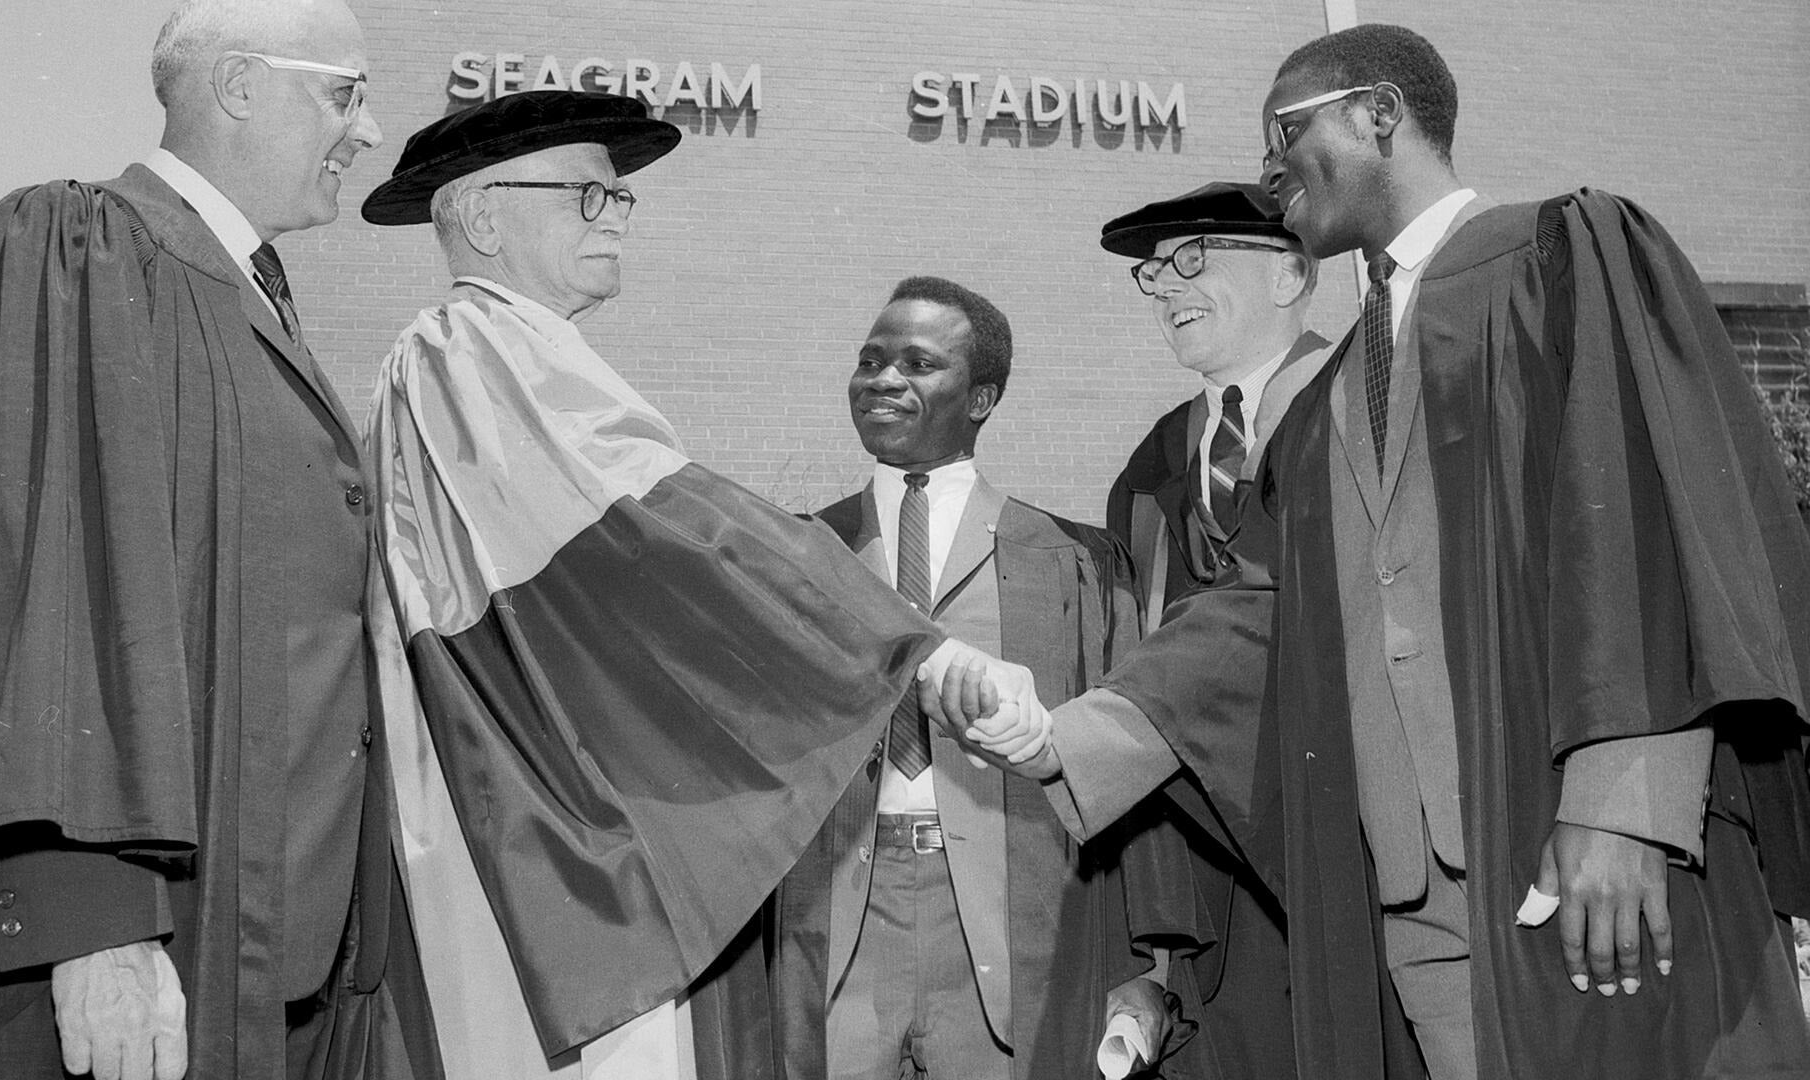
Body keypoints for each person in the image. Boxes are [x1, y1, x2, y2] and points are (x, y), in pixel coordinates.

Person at [935, 22, 1810, 1080]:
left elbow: (1645, 525)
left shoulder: (1562, 257)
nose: (1268, 171)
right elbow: (1258, 613)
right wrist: (1059, 741)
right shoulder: (1332, 396)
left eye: (1285, 133)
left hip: (1578, 848)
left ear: (1379, 114)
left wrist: (1625, 809)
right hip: (1412, 903)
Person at [355, 90, 1044, 1080]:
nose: (618, 215)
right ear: (480, 215)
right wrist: (916, 652)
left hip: (522, 817)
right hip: (562, 846)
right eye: (589, 194)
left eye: (621, 197)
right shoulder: (479, 353)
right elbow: (676, 545)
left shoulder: (444, 367)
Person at [0, 2, 444, 1080]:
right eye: (345, 92)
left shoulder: (250, 300)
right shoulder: (76, 248)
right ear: (239, 85)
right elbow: (35, 586)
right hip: (142, 958)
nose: (369, 131)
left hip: (282, 955)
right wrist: (91, 922)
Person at [773, 276, 1153, 1079]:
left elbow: (1119, 768)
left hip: (1008, 910)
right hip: (835, 908)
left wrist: (1142, 961)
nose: (883, 379)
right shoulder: (799, 553)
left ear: (980, 397)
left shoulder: (1072, 561)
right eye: (871, 360)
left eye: (917, 364)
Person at [1098, 181, 1330, 1079]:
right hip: (1208, 875)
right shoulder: (1157, 459)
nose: (1166, 287)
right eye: (1156, 272)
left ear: (1289, 273)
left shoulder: (1361, 408)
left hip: (1346, 843)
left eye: (1193, 259)